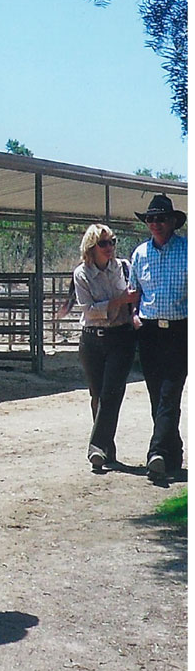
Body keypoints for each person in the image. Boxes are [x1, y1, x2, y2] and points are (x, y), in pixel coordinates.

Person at [129, 194, 187, 481]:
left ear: (173, 222)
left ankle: (157, 453)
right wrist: (134, 314)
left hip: (180, 330)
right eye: (151, 219)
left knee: (169, 393)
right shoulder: (139, 254)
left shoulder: (188, 250)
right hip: (150, 332)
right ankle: (172, 453)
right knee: (157, 395)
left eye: (161, 218)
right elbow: (134, 293)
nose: (155, 223)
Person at [73, 224, 138, 470]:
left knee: (112, 392)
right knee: (98, 395)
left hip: (120, 336)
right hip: (91, 338)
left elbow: (134, 297)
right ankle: (106, 448)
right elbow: (89, 310)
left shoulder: (124, 268)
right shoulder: (81, 274)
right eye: (104, 243)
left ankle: (96, 447)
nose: (109, 247)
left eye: (112, 242)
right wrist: (119, 301)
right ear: (92, 247)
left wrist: (131, 310)